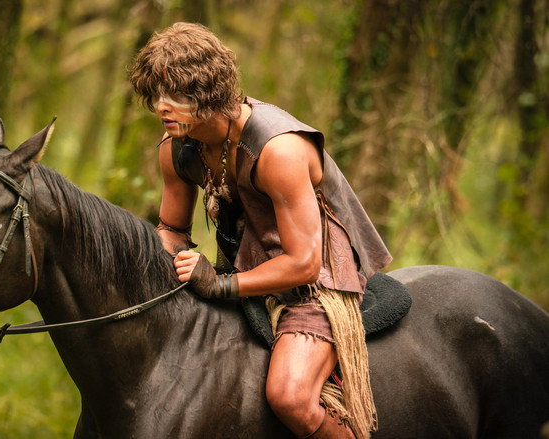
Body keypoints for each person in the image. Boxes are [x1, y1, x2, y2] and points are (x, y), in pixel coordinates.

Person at [129, 23, 392, 438]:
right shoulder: (175, 148)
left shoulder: (278, 150)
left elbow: (304, 263)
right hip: (241, 267)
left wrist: (219, 285)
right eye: (156, 94)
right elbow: (173, 230)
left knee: (291, 398)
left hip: (316, 282)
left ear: (209, 92)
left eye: (176, 94)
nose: (162, 106)